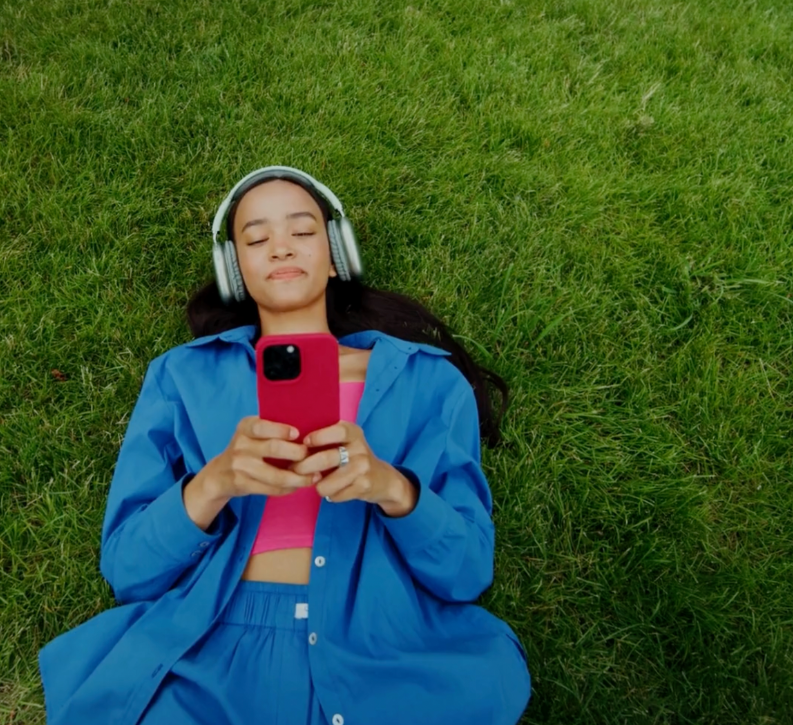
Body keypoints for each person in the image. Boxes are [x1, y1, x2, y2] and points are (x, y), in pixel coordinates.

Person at [38, 166, 531, 725]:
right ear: (234, 268)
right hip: (211, 648)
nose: (279, 248)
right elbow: (129, 570)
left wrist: (392, 488)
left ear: (336, 250)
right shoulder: (182, 377)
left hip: (383, 641)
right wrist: (216, 481)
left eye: (301, 231)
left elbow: (466, 572)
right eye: (255, 238)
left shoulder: (427, 381)